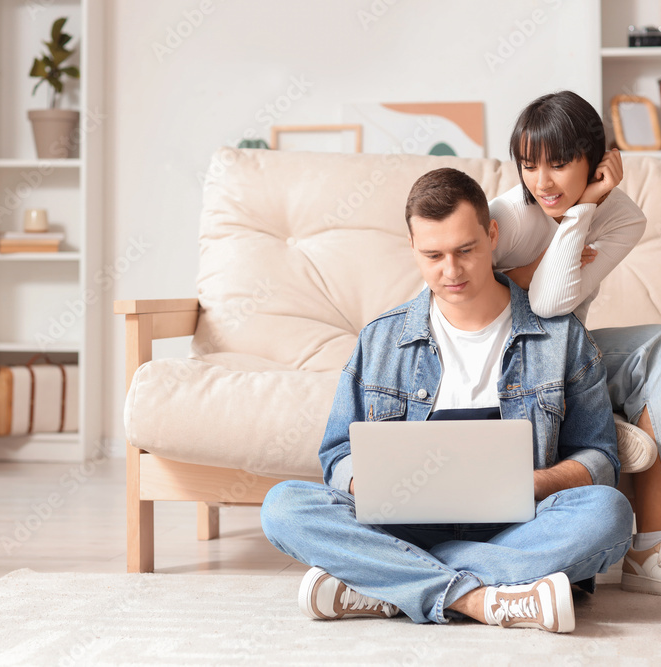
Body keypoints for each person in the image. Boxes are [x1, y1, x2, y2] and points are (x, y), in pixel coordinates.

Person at [260, 167, 633, 633]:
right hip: (401, 526)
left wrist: (533, 482)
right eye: (433, 255)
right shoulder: (380, 340)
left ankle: (391, 581)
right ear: (413, 248)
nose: (451, 271)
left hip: (519, 525)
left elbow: (599, 457)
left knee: (609, 513)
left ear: (492, 235)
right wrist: (370, 485)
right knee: (283, 506)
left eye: (465, 250)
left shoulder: (560, 336)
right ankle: (482, 598)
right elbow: (337, 455)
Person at [489, 90, 661, 599]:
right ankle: (653, 542)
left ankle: (650, 397)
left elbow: (553, 302)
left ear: (596, 159)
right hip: (533, 367)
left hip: (577, 349)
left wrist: (582, 218)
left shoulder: (625, 217)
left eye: (559, 164)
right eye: (529, 165)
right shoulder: (508, 217)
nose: (542, 183)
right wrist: (575, 218)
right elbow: (543, 303)